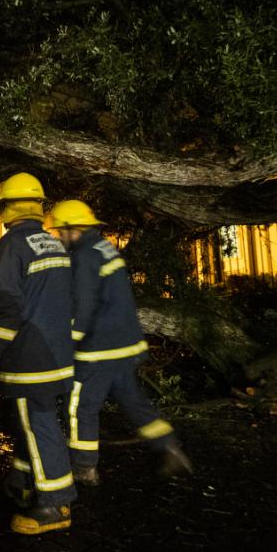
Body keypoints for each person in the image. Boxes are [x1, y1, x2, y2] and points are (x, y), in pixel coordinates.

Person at [47, 199, 193, 486]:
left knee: (80, 406)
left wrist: (70, 341)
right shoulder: (105, 248)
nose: (57, 238)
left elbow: (84, 304)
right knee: (134, 401)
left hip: (98, 349)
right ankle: (169, 447)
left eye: (58, 233)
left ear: (70, 229)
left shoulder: (84, 255)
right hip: (126, 344)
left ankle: (85, 468)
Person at [0, 172, 77, 535]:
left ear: (7, 206)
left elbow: (5, 309)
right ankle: (23, 482)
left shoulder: (10, 247)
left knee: (38, 424)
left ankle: (55, 505)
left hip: (28, 357)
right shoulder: (53, 244)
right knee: (29, 423)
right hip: (57, 354)